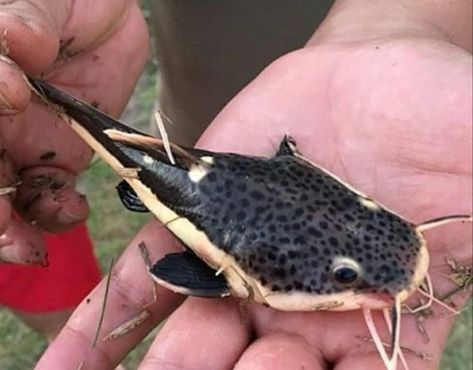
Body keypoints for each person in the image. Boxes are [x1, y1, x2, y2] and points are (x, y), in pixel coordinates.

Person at [0, 1, 471, 369]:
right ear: (249, 271)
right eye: (345, 276)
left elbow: (287, 164)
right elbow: (179, 272)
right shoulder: (247, 264)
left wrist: (415, 20)